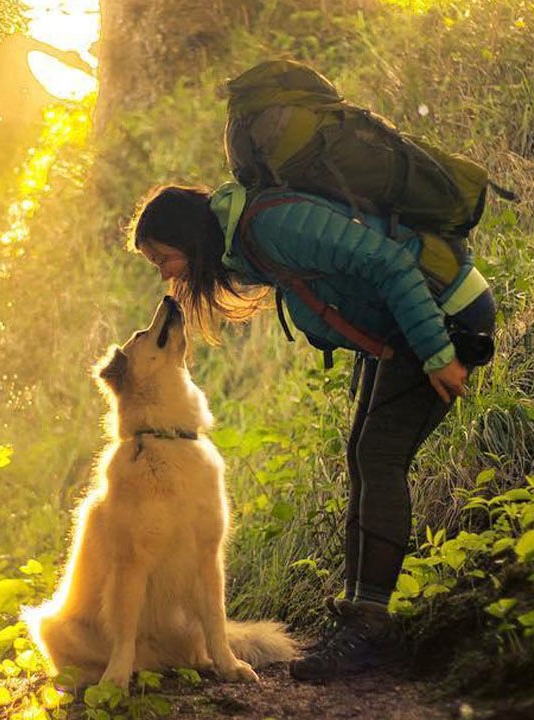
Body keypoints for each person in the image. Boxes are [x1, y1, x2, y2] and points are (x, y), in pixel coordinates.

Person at [128, 181, 496, 684]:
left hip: (445, 313)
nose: (166, 275)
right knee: (362, 454)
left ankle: (368, 630)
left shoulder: (272, 225)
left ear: (189, 237)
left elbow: (389, 263)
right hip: (403, 327)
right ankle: (358, 615)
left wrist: (437, 353)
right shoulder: (250, 242)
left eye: (163, 258)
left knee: (378, 457)